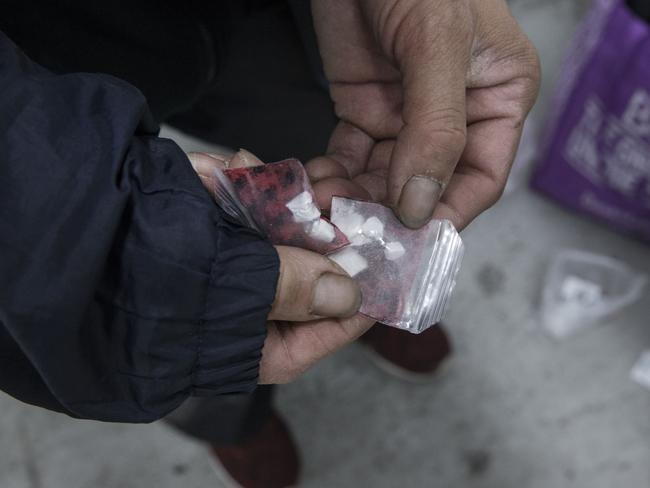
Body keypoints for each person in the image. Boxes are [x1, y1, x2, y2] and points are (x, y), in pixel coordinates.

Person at [0, 1, 539, 487]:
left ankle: (371, 288)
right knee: (174, 292)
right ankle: (230, 415)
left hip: (261, 19)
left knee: (342, 151)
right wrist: (81, 232)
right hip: (34, 54)